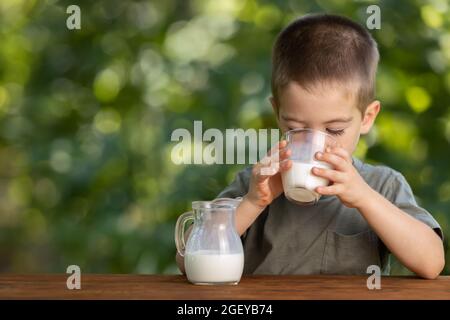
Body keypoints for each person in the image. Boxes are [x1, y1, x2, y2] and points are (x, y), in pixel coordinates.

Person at [176, 14, 444, 279]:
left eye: (334, 130)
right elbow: (187, 260)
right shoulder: (255, 184)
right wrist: (253, 202)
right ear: (277, 113)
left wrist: (364, 198)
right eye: (295, 129)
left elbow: (432, 263)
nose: (314, 147)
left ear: (367, 118)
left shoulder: (381, 186)